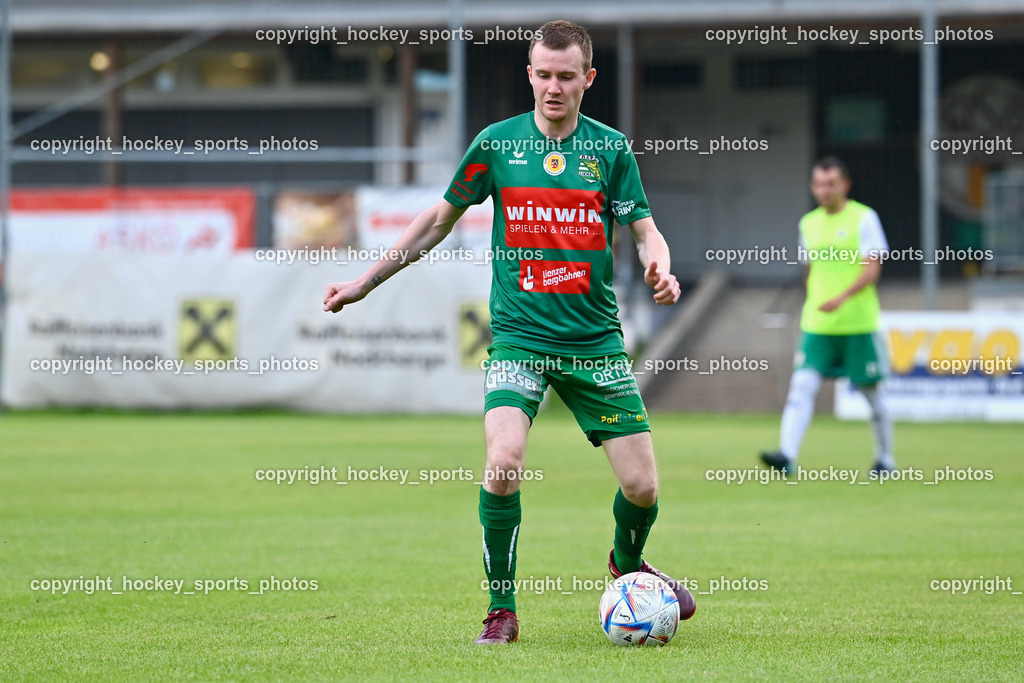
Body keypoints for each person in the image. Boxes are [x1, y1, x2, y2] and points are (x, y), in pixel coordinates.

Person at [323, 19, 695, 645]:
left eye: (566, 76)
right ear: (530, 74)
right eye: (543, 74)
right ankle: (502, 611)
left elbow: (645, 230)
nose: (554, 87)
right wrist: (366, 281)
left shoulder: (610, 150)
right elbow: (437, 221)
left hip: (595, 343)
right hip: (520, 340)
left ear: (588, 79)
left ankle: (627, 567)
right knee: (502, 462)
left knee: (642, 487)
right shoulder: (496, 145)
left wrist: (660, 264)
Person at [761, 156, 895, 476]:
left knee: (872, 395)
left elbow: (872, 269)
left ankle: (885, 459)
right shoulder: (808, 223)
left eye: (831, 183)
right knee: (802, 387)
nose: (824, 190)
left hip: (858, 324)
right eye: (819, 184)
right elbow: (810, 271)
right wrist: (815, 299)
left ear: (845, 185)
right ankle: (787, 455)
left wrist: (841, 297)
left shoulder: (864, 218)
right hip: (818, 325)